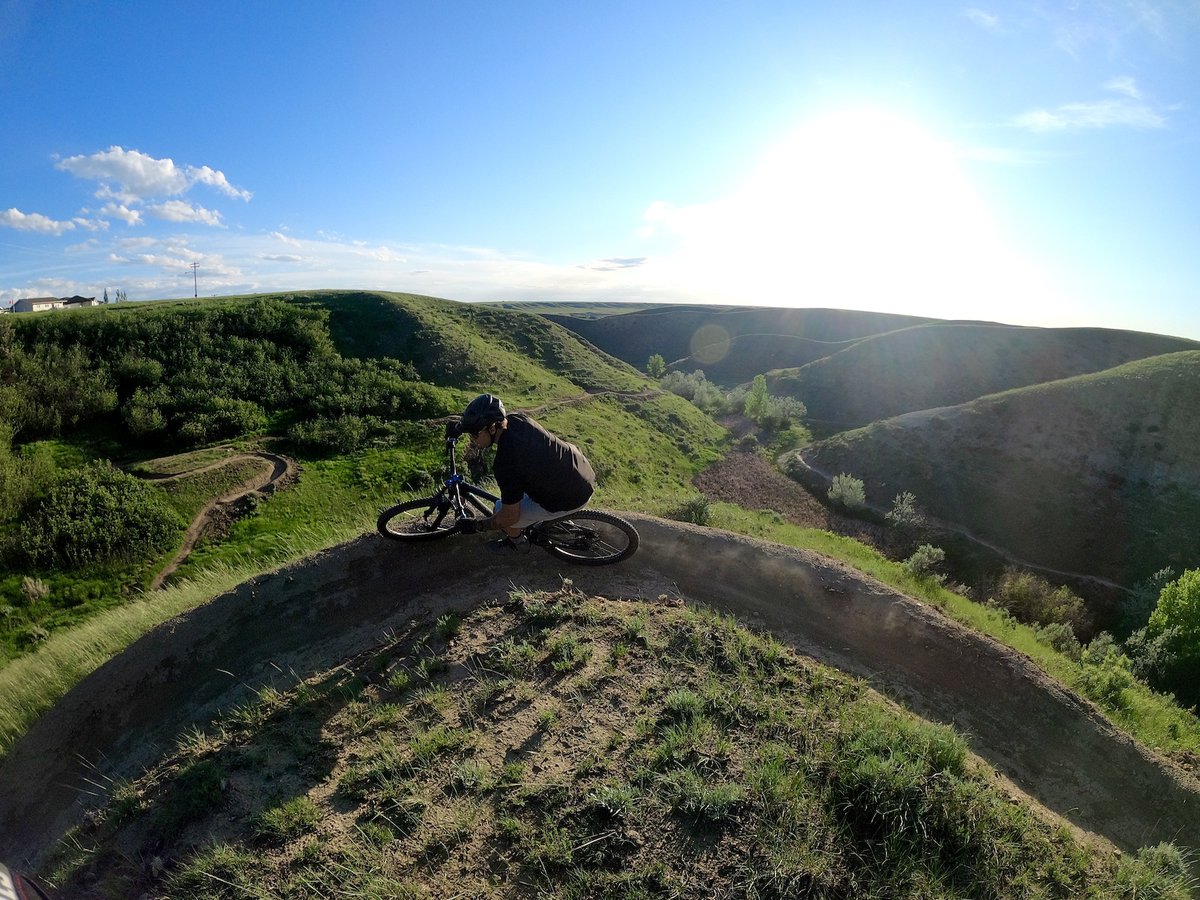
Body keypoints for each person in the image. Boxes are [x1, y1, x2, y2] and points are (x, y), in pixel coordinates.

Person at [457, 393, 595, 552]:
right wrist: (459, 427)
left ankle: (518, 543)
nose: (472, 439)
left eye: (474, 433)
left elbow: (509, 517)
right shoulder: (517, 419)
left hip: (573, 496)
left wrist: (479, 525)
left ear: (493, 428)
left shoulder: (505, 463)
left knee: (499, 510)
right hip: (580, 468)